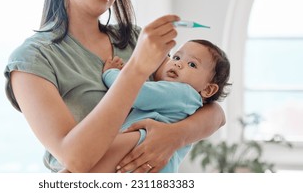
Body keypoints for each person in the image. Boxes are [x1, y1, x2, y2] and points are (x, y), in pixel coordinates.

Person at [4, 0, 226, 173]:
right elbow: (75, 159)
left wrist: (175, 136)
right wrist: (136, 69)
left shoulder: (133, 39)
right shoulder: (32, 60)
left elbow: (213, 113)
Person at [60, 39, 231, 173]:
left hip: (143, 144)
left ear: (208, 89)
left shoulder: (182, 92)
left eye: (192, 64)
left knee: (80, 168)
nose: (178, 63)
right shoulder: (187, 101)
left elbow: (134, 93)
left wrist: (111, 74)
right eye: (176, 57)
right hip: (149, 163)